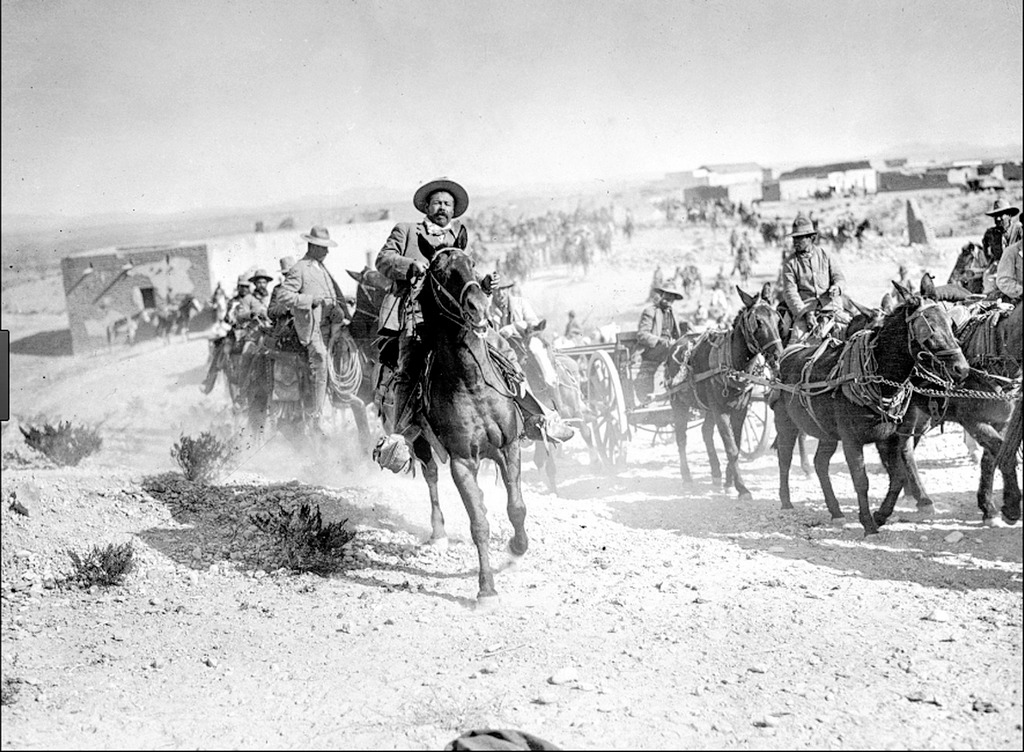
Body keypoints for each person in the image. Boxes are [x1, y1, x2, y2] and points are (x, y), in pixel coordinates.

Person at [374, 178, 571, 460]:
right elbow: (383, 259)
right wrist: (409, 266)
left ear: (454, 211)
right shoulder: (406, 231)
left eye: (448, 204)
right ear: (426, 206)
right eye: (437, 203)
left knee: (503, 349)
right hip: (417, 316)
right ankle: (400, 441)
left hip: (456, 319)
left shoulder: (457, 239)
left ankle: (536, 416)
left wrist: (484, 283)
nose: (442, 208)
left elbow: (463, 275)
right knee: (409, 367)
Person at [270, 226, 351, 425]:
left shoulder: (322, 268)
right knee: (321, 360)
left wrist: (342, 301)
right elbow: (284, 295)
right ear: (313, 246)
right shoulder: (300, 268)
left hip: (329, 324)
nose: (327, 251)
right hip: (311, 327)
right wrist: (309, 300)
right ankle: (317, 412)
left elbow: (330, 294)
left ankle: (342, 399)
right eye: (323, 247)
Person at [781, 214, 846, 340]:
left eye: (800, 238)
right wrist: (805, 313)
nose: (795, 242)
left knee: (855, 335)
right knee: (796, 344)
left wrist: (837, 288)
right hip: (806, 314)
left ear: (812, 238)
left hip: (832, 309)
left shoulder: (826, 255)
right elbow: (790, 292)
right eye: (794, 238)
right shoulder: (790, 263)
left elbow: (839, 278)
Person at [200, 274, 254, 394]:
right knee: (222, 351)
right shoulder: (233, 301)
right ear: (238, 287)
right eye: (241, 286)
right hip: (234, 333)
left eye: (246, 286)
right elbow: (226, 318)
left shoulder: (253, 299)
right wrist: (232, 319)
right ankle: (209, 383)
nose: (244, 289)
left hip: (251, 332)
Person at [635, 283, 686, 404]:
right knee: (672, 349)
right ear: (662, 295)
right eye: (667, 295)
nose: (669, 299)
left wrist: (689, 326)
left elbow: (680, 325)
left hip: (670, 350)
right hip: (651, 351)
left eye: (672, 297)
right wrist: (660, 341)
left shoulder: (674, 313)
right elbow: (642, 335)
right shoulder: (650, 311)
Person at [980, 199, 1023, 295]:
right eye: (995, 216)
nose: (998, 219)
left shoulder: (1019, 229)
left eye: (1001, 215)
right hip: (998, 268)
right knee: (989, 287)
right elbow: (985, 251)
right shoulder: (990, 233)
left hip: (1016, 267)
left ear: (1009, 216)